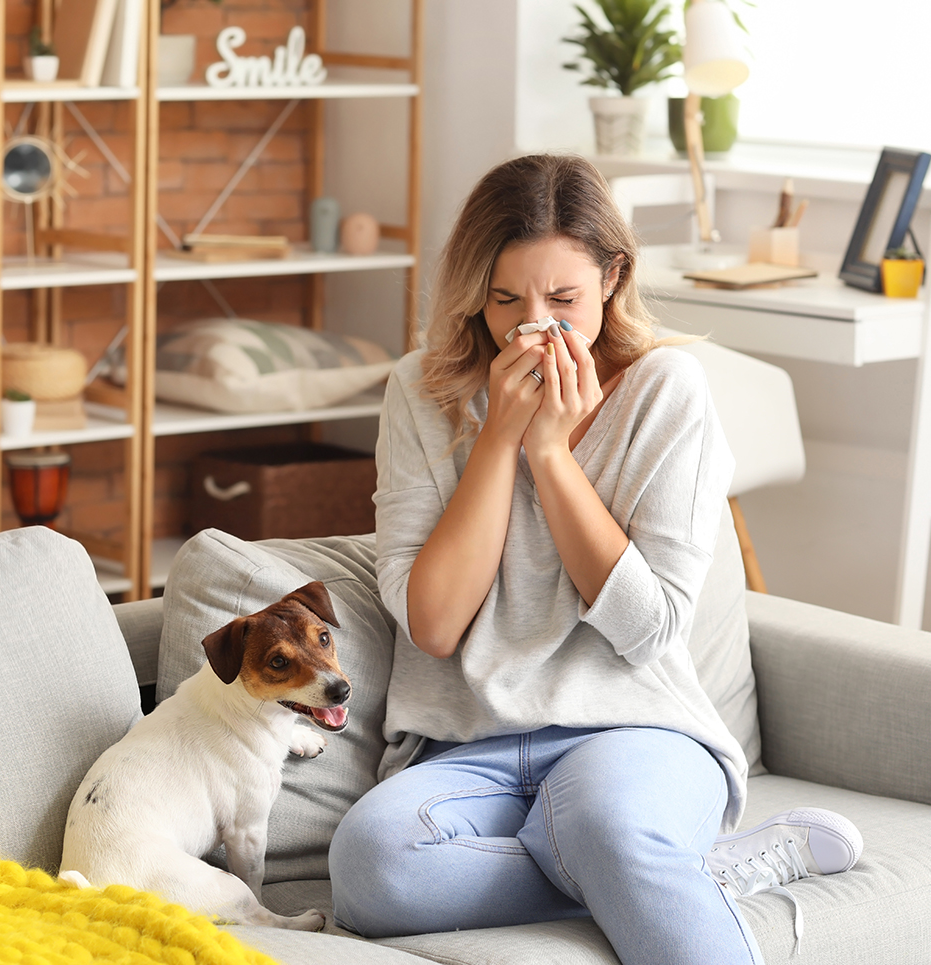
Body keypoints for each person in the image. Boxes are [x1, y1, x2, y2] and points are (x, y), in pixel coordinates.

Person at [328, 154, 861, 965]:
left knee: (607, 824)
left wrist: (550, 454)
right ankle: (676, 869)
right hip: (461, 745)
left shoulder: (665, 390)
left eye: (562, 299)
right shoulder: (420, 393)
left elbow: (648, 629)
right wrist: (498, 439)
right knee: (372, 866)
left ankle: (639, 857)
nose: (532, 326)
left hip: (633, 725)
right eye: (505, 300)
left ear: (612, 277)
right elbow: (433, 624)